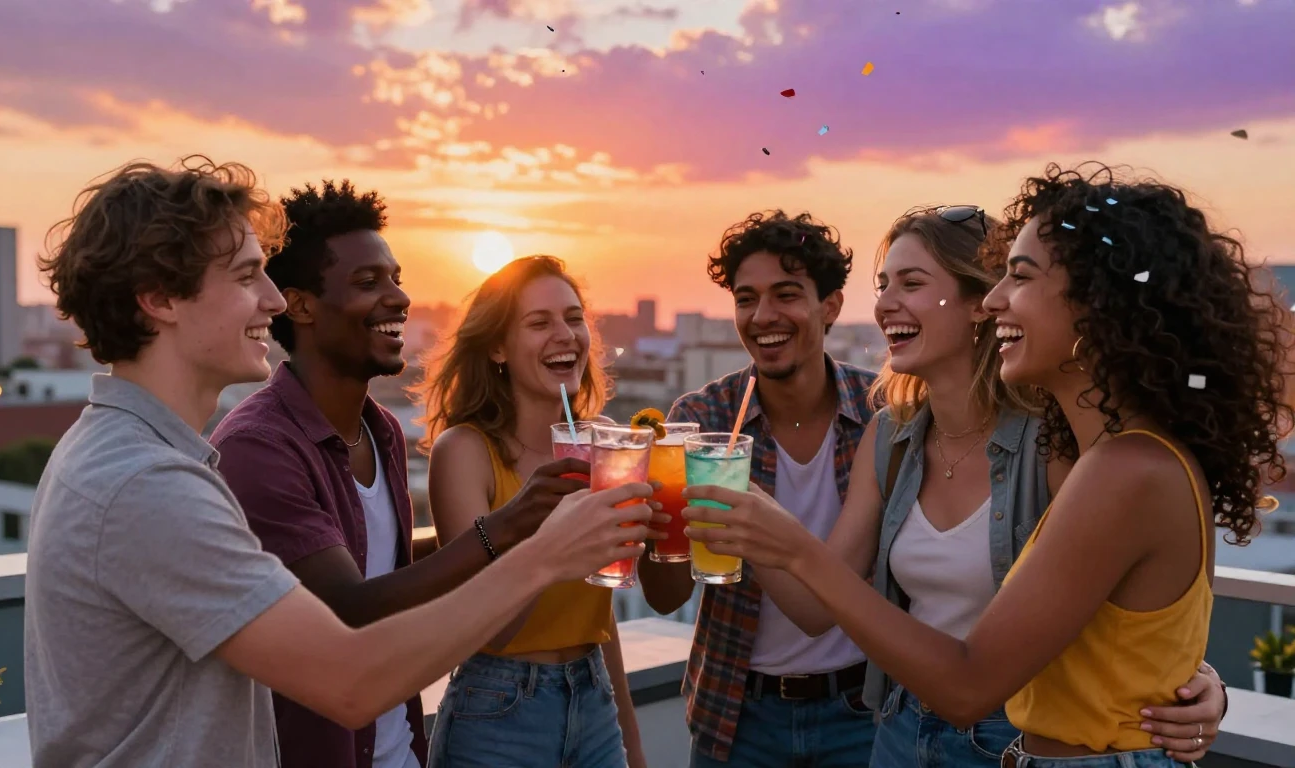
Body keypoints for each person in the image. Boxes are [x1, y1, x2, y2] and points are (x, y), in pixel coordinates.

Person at [24, 157, 655, 768]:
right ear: (160, 299)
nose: (274, 300)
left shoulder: (137, 456)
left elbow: (364, 575)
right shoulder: (148, 485)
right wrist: (543, 549)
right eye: (247, 277)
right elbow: (349, 676)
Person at [684, 164, 1290, 768]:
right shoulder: (901, 435)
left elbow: (981, 680)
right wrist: (754, 535)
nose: (1000, 296)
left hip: (1008, 739)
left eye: (1018, 278)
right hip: (912, 730)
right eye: (883, 283)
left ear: (1095, 304)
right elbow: (1117, 620)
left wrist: (1193, 679)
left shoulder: (1109, 461)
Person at [209, 181, 595, 768]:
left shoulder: (381, 429)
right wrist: (511, 526)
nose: (399, 297)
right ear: (302, 305)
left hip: (398, 749)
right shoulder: (258, 446)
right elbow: (349, 608)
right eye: (369, 283)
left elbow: (391, 572)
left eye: (395, 277)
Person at [637, 210, 879, 767]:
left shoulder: (880, 414)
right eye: (746, 299)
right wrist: (658, 521)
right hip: (738, 716)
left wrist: (748, 517)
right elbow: (666, 595)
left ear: (831, 306)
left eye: (786, 294)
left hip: (864, 712)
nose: (762, 316)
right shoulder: (701, 419)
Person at [415, 255, 649, 768]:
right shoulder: (466, 451)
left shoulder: (604, 441)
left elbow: (599, 614)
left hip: (593, 697)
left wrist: (631, 744)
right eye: (539, 323)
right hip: (498, 708)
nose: (564, 334)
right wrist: (548, 528)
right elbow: (489, 628)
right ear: (497, 346)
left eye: (573, 317)